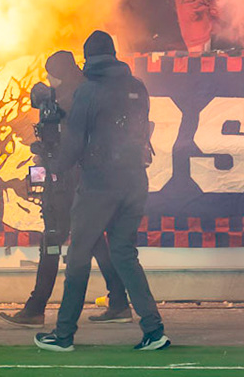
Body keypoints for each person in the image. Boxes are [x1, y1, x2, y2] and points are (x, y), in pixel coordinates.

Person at [35, 31, 168, 353]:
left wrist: (55, 166)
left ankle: (64, 335)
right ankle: (153, 330)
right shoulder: (137, 87)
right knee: (124, 253)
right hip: (135, 180)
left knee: (78, 258)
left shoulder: (88, 92)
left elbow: (75, 141)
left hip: (99, 185)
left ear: (87, 59)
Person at [1, 49, 131, 329]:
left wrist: (50, 156)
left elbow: (68, 141)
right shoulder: (84, 92)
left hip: (67, 182)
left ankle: (36, 309)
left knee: (51, 241)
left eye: (51, 74)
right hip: (87, 181)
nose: (48, 80)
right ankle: (119, 301)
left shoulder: (69, 99)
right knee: (95, 241)